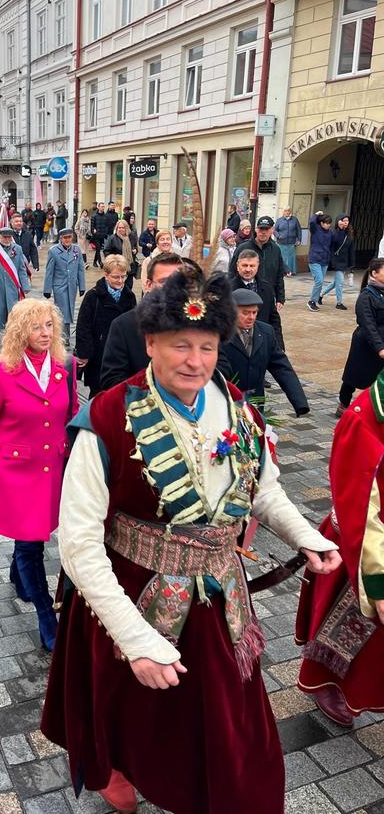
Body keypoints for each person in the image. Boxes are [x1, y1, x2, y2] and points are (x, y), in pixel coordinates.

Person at [40, 268, 340, 814]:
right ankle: (116, 765)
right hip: (131, 594)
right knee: (127, 704)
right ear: (150, 343)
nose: (195, 361)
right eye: (180, 345)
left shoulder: (237, 407)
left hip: (221, 601)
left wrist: (304, 535)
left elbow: (263, 489)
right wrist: (134, 639)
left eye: (206, 346)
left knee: (229, 733)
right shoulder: (105, 418)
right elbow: (78, 545)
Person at [0, 299, 78, 651]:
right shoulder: (1, 373)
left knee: (33, 536)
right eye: (35, 327)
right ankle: (45, 615)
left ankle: (17, 572)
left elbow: (72, 413)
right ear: (19, 332)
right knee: (31, 544)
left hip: (54, 467)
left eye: (48, 326)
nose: (44, 333)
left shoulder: (65, 366)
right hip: (17, 472)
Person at [296, 367, 384, 727]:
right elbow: (360, 507)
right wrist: (377, 580)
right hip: (364, 538)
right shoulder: (364, 418)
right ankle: (326, 678)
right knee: (353, 621)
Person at [100, 253, 184, 391]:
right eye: (164, 282)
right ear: (148, 285)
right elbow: (111, 379)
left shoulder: (197, 323)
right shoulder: (124, 326)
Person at [218, 289, 309, 416]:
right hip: (225, 404)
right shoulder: (218, 335)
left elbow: (282, 367)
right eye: (245, 313)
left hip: (255, 404)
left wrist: (299, 402)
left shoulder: (266, 332)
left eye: (254, 312)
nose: (251, 317)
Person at [75, 254, 137, 398]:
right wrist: (84, 354)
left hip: (122, 356)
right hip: (98, 357)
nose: (120, 281)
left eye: (123, 276)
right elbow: (83, 327)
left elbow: (135, 327)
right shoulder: (93, 296)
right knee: (98, 396)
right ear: (106, 275)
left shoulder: (129, 296)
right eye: (116, 277)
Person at [336, 258, 384, 417]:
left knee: (378, 380)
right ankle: (343, 404)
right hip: (365, 344)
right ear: (374, 273)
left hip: (380, 344)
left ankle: (374, 409)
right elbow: (368, 324)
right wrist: (379, 347)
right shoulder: (367, 296)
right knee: (353, 377)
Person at [0, 225, 30, 346]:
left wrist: (25, 286)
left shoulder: (17, 249)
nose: (7, 239)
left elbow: (21, 269)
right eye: (5, 237)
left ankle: (11, 336)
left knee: (12, 312)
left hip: (12, 286)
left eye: (9, 237)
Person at [229, 250, 284, 350]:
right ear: (238, 266)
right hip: (237, 344)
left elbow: (274, 318)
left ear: (258, 266)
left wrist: (279, 346)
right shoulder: (228, 289)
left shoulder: (266, 288)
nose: (248, 269)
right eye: (244, 265)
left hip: (262, 342)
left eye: (252, 266)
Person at [231, 216, 286, 310]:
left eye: (266, 229)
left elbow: (279, 275)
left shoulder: (276, 250)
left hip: (267, 297)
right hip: (244, 296)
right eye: (261, 229)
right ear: (256, 229)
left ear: (272, 230)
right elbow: (231, 272)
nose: (263, 232)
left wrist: (280, 297)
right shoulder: (243, 248)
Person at [43, 228, 86, 345]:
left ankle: (61, 333)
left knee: (69, 309)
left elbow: (81, 269)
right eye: (65, 238)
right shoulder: (54, 251)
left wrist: (82, 286)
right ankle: (64, 336)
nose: (67, 240)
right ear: (61, 238)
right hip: (59, 285)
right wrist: (47, 289)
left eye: (69, 237)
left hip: (72, 285)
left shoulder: (76, 249)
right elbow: (49, 271)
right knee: (63, 310)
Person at [319, 214, 354, 310]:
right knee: (340, 282)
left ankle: (321, 294)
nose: (345, 222)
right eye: (343, 220)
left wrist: (352, 264)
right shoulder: (334, 232)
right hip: (336, 260)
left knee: (336, 282)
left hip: (344, 261)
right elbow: (332, 245)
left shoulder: (349, 234)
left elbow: (351, 249)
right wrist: (340, 229)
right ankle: (339, 303)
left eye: (347, 221)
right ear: (339, 221)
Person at [306, 213, 334, 311]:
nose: (328, 225)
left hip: (325, 260)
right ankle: (312, 301)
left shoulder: (330, 233)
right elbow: (312, 222)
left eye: (329, 223)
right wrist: (316, 214)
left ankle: (315, 300)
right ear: (321, 223)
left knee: (320, 282)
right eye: (326, 223)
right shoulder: (315, 229)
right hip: (314, 259)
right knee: (319, 280)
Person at [103, 220, 139, 290]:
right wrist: (113, 261)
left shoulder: (131, 237)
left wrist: (135, 250)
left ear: (127, 228)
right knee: (118, 287)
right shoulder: (112, 238)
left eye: (123, 227)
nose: (121, 229)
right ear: (116, 228)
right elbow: (106, 251)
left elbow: (135, 247)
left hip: (129, 268)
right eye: (119, 228)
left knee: (128, 287)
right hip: (117, 268)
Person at [274, 207, 302, 276]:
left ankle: (291, 271)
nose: (287, 212)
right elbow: (274, 230)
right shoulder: (279, 220)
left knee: (291, 257)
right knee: (282, 257)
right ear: (283, 212)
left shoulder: (294, 220)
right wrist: (278, 236)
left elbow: (299, 230)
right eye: (285, 211)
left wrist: (299, 240)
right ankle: (283, 271)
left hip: (291, 242)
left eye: (288, 211)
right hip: (281, 242)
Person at [90, 202, 110, 267]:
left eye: (103, 206)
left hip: (102, 235)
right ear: (98, 207)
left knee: (98, 249)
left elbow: (107, 226)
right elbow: (92, 226)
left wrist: (105, 233)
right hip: (96, 236)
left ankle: (94, 262)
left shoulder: (106, 216)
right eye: (101, 206)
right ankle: (100, 262)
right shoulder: (94, 216)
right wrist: (93, 231)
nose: (103, 208)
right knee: (98, 248)